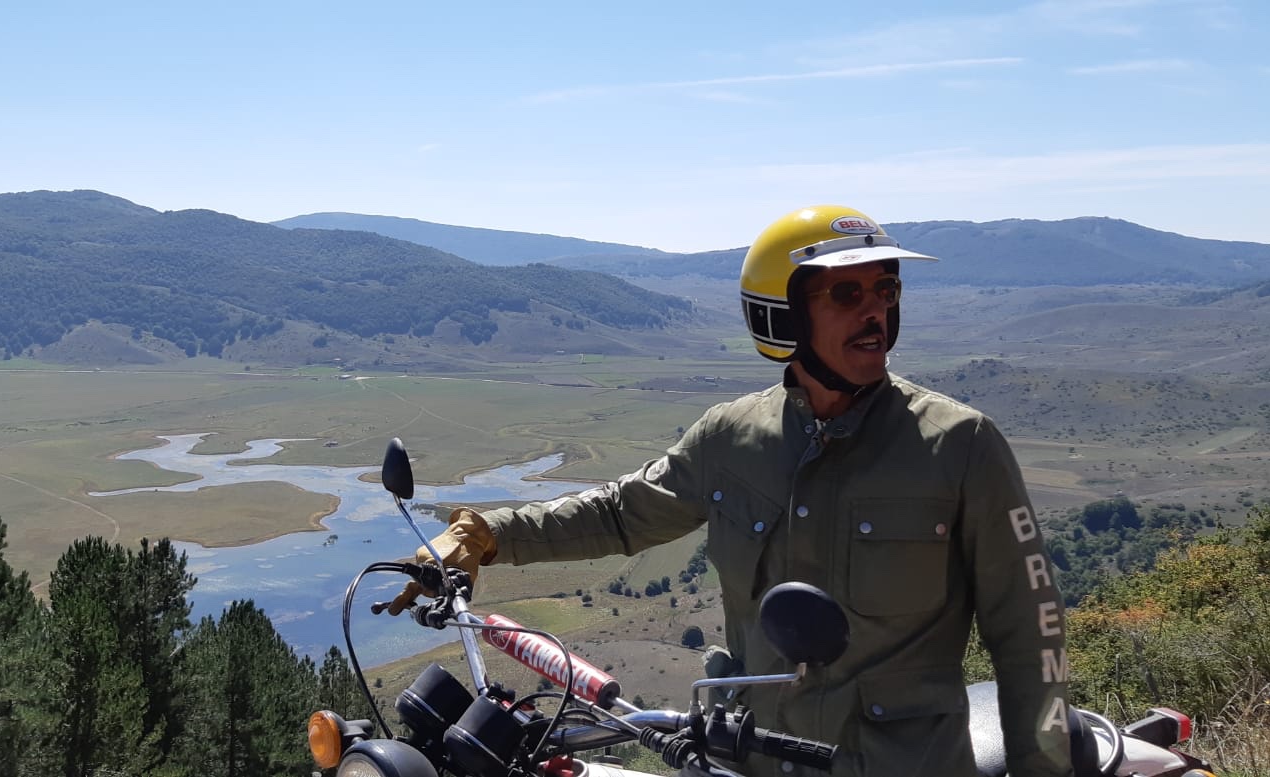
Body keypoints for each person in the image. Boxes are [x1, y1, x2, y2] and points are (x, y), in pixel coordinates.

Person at [389, 204, 1073, 777]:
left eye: (886, 291)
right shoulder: (731, 437)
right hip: (745, 761)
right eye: (847, 294)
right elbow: (622, 513)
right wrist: (490, 535)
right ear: (782, 315)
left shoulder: (958, 445)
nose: (875, 312)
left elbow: (1029, 632)